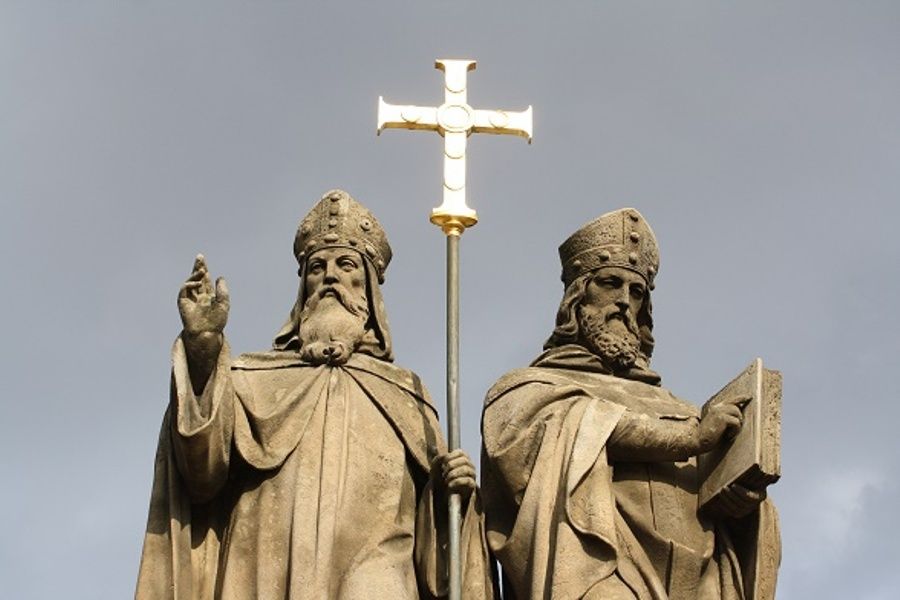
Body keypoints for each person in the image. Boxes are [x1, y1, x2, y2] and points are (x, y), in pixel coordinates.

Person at [137, 190, 494, 599]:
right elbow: (201, 472)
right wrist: (203, 348)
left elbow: (436, 556)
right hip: (264, 570)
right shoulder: (252, 379)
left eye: (346, 265)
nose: (330, 277)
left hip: (375, 576)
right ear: (303, 286)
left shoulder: (406, 394)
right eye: (317, 267)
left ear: (368, 288)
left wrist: (447, 494)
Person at [480, 208, 780, 600]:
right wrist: (690, 439)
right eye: (610, 283)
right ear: (577, 296)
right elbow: (578, 426)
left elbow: (721, 508)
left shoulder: (685, 409)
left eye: (636, 292)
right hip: (602, 571)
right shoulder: (527, 390)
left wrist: (742, 505)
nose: (623, 301)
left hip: (700, 582)